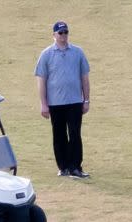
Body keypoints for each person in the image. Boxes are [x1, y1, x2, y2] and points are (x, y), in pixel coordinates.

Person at [35, 21, 92, 179]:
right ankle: (63, 167)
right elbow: (41, 80)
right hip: (55, 103)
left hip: (74, 101)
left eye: (66, 32)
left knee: (75, 134)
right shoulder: (46, 54)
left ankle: (76, 167)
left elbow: (84, 78)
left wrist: (86, 100)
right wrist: (43, 104)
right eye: (60, 33)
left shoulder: (78, 52)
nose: (63, 35)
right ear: (54, 35)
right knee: (59, 135)